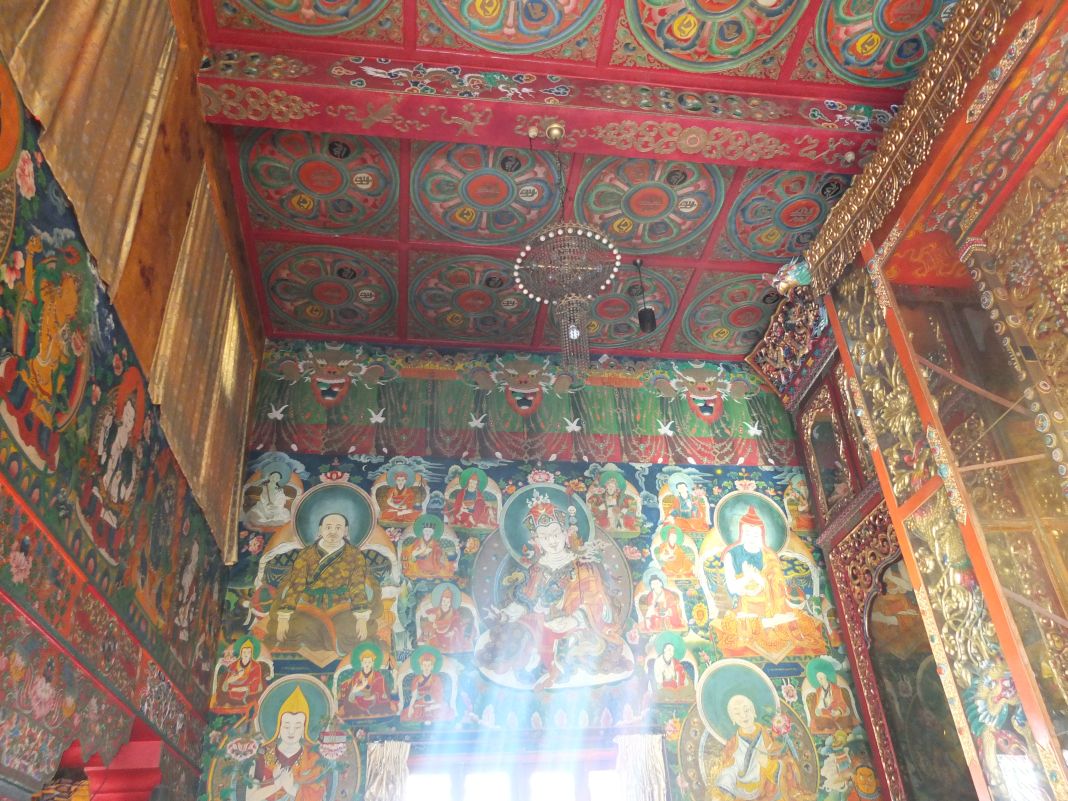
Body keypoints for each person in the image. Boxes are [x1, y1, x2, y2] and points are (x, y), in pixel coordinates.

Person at [476, 493, 631, 690]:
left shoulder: (583, 566)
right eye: (544, 536)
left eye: (556, 533)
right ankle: (534, 664)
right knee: (517, 633)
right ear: (536, 540)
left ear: (565, 534)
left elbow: (597, 600)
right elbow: (527, 600)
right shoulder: (538, 568)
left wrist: (575, 619)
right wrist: (507, 613)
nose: (552, 540)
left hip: (577, 624)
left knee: (581, 643)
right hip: (541, 622)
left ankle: (557, 667)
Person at [268, 513, 379, 665]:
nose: (333, 532)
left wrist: (360, 617)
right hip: (310, 605)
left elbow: (357, 584)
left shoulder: (354, 554)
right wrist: (284, 617)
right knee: (289, 629)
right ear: (320, 530)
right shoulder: (306, 553)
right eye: (328, 527)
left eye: (338, 528)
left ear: (345, 531)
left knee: (354, 631)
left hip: (342, 605)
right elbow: (296, 584)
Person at [713, 506, 824, 658]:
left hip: (772, 605)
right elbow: (732, 588)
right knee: (742, 630)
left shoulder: (769, 556)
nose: (752, 538)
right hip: (747, 605)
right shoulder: (731, 555)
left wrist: (758, 578)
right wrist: (747, 577)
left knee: (792, 626)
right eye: (747, 533)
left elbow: (777, 586)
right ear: (741, 533)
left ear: (762, 535)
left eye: (756, 534)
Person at [708, 695, 803, 801]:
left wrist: (769, 765)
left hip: (768, 791)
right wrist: (723, 790)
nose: (743, 716)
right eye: (737, 713)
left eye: (746, 710)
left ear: (753, 711)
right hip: (740, 793)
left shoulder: (770, 736)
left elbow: (786, 763)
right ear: (732, 719)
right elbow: (729, 769)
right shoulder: (733, 744)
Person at [249, 687, 328, 801]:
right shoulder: (263, 756)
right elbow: (250, 797)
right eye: (286, 726)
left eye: (297, 727)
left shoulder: (312, 759)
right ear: (279, 728)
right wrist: (275, 786)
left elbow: (318, 796)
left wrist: (291, 789)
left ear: (304, 730)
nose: (291, 732)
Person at [338, 645, 393, 718]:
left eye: (369, 662)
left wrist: (373, 696)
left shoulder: (378, 676)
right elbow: (351, 692)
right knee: (350, 706)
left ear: (373, 663)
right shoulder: (357, 676)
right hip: (358, 700)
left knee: (382, 707)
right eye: (365, 662)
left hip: (374, 700)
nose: (367, 664)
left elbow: (382, 693)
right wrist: (357, 692)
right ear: (362, 663)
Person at [400, 649, 453, 723]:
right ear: (421, 667)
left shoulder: (436, 679)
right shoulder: (416, 679)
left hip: (434, 702)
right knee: (413, 712)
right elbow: (414, 697)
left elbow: (439, 696)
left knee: (443, 709)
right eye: (424, 665)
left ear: (432, 667)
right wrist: (411, 707)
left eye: (429, 665)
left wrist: (433, 704)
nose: (426, 667)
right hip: (421, 703)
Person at [418, 585, 475, 653]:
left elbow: (458, 624)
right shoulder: (435, 610)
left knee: (454, 637)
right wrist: (432, 623)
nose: (445, 604)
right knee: (431, 637)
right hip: (436, 634)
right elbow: (426, 614)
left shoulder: (455, 613)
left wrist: (453, 631)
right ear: (441, 601)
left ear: (450, 603)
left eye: (448, 602)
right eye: (444, 601)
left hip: (450, 635)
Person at [807, 666, 859, 734]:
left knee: (846, 721)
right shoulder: (818, 691)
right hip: (825, 715)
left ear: (826, 677)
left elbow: (842, 703)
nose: (820, 680)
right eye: (818, 679)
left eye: (821, 678)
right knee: (819, 723)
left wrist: (838, 711)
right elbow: (818, 707)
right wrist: (822, 706)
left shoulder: (836, 689)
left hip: (836, 713)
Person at [217, 639, 266, 710]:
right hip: (233, 689)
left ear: (251, 654)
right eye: (244, 652)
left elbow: (256, 682)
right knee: (223, 693)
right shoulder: (234, 665)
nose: (246, 654)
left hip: (247, 691)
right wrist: (237, 677)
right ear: (241, 653)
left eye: (248, 652)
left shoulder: (256, 666)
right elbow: (228, 681)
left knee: (255, 698)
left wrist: (246, 688)